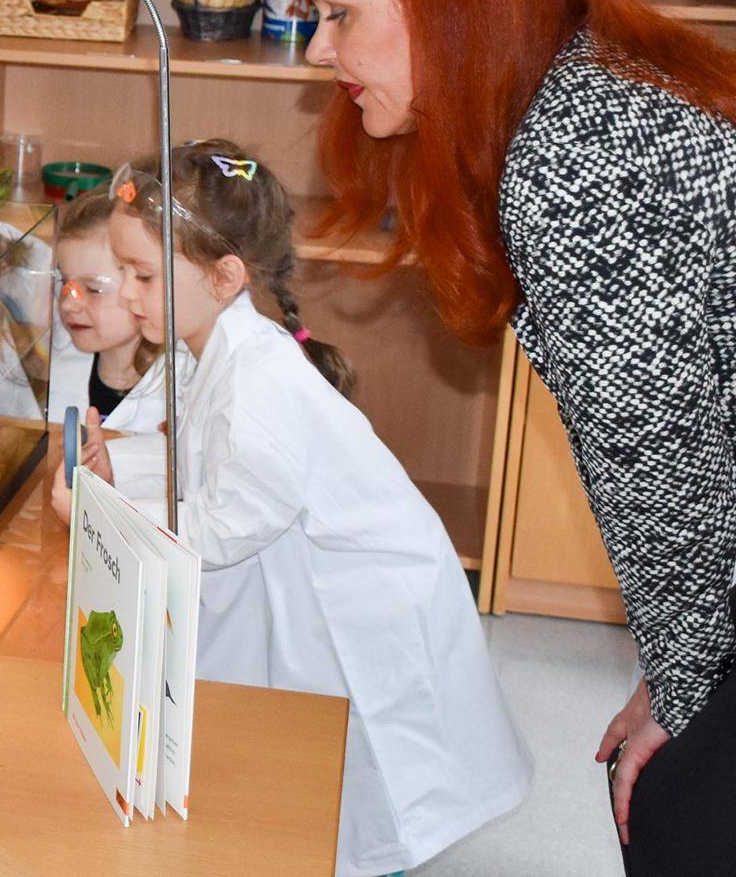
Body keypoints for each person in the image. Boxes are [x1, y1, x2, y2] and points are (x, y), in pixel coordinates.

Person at [288, 0, 736, 873]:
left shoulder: (576, 153)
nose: (319, 50)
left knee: (676, 815)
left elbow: (667, 481)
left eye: (340, 12)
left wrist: (687, 692)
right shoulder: (591, 86)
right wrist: (682, 674)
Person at [111, 140, 532, 877]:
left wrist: (119, 516)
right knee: (320, 760)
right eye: (121, 272)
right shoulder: (205, 342)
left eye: (142, 275)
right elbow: (191, 456)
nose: (125, 293)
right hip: (315, 583)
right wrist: (118, 464)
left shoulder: (262, 382)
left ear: (225, 276)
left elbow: (221, 526)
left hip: (367, 601)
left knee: (371, 767)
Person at [42, 189, 189, 524]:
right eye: (64, 283)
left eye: (94, 289)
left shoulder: (185, 382)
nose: (69, 303)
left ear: (143, 285)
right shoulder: (57, 356)